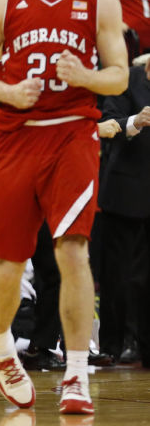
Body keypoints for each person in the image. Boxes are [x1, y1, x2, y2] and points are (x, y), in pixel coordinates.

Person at [0, 0, 129, 414]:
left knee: (73, 251)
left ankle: (76, 373)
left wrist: (86, 78)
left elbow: (119, 75)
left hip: (73, 136)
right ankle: (0, 348)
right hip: (14, 137)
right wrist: (7, 93)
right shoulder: (6, 0)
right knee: (7, 262)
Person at [96, 60, 150, 366]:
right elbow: (108, 122)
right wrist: (135, 122)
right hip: (125, 192)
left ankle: (144, 347)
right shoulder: (126, 78)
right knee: (118, 274)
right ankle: (113, 346)